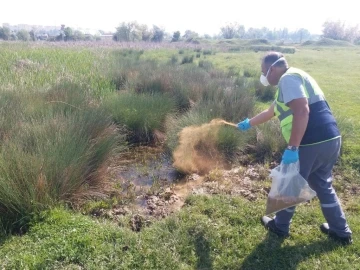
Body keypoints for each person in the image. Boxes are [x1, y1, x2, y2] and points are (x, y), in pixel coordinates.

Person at [237, 52, 352, 245]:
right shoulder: (295, 78)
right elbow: (270, 111)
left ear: (272, 69)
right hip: (331, 139)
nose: (264, 77)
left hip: (310, 142)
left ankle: (280, 226)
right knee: (322, 183)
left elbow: (302, 110)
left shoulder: (288, 79)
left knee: (290, 183)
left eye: (264, 72)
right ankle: (341, 231)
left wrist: (293, 147)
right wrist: (249, 123)